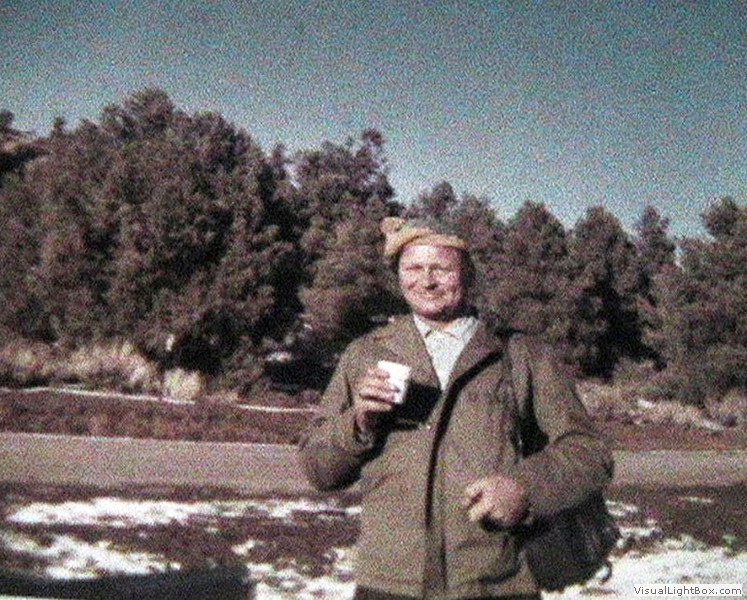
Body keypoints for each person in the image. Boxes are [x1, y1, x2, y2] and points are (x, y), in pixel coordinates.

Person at [298, 217, 614, 600]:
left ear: (468, 275)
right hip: (388, 584)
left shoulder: (521, 355)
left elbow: (589, 453)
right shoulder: (365, 353)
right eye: (413, 268)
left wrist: (524, 489)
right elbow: (319, 470)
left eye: (441, 269)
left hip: (497, 583)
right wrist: (359, 422)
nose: (426, 281)